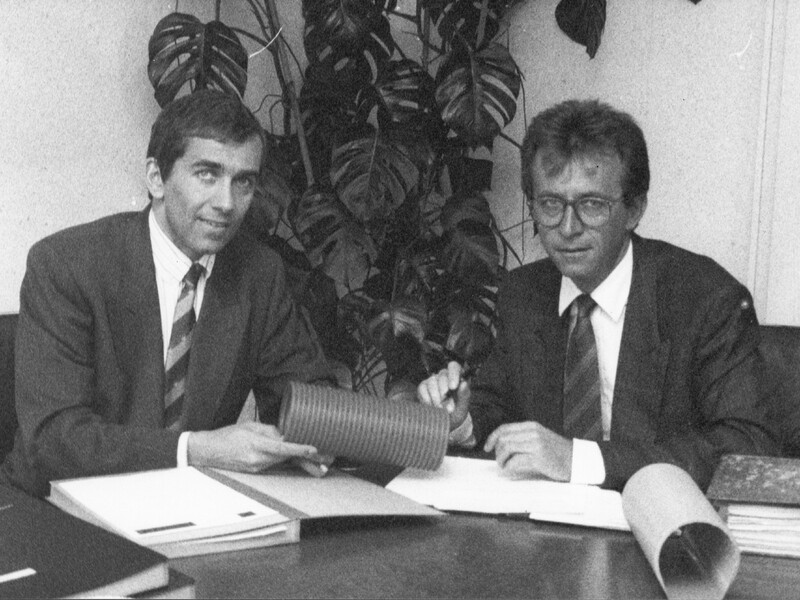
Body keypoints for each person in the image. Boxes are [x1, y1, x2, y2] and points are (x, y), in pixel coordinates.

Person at [418, 99, 776, 491]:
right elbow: (498, 405)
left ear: (634, 210)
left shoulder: (704, 298)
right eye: (551, 204)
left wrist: (580, 460)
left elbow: (746, 447)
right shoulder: (524, 293)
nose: (568, 228)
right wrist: (462, 422)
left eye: (591, 205)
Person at [2, 90, 335, 497]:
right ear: (156, 178)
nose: (227, 203)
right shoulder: (66, 265)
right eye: (207, 174)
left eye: (244, 182)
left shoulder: (259, 273)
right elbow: (54, 440)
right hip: (55, 504)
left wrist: (317, 436)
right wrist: (194, 449)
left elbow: (309, 400)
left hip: (187, 504)